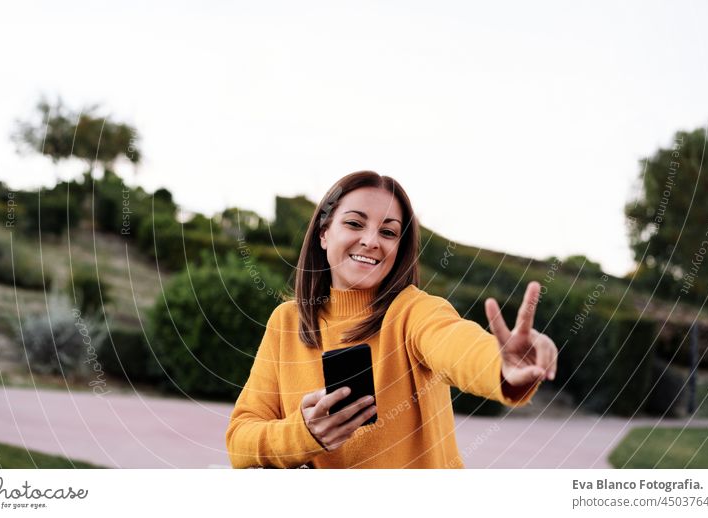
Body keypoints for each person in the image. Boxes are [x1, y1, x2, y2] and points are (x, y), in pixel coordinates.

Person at [225, 170, 558, 468]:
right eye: (354, 224)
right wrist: (303, 433)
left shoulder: (413, 311)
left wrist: (499, 363)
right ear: (324, 234)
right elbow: (240, 440)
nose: (371, 241)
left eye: (388, 231)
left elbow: (453, 341)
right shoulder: (286, 321)